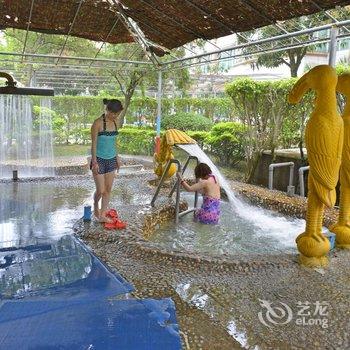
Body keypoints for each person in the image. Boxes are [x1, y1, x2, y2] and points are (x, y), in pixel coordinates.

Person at [90, 98, 122, 223]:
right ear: (107, 110)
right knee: (100, 190)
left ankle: (103, 215)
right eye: (113, 113)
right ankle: (95, 203)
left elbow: (114, 143)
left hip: (112, 159)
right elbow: (93, 144)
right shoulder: (97, 123)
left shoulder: (115, 123)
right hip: (99, 159)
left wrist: (117, 158)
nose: (115, 116)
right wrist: (94, 162)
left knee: (108, 190)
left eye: (117, 114)